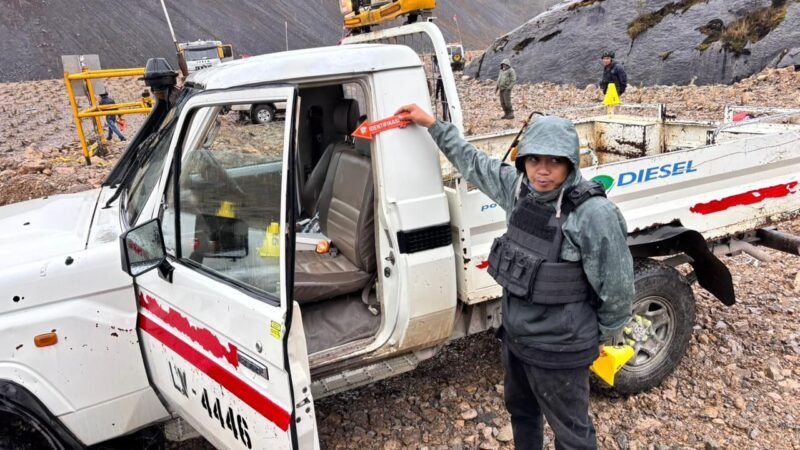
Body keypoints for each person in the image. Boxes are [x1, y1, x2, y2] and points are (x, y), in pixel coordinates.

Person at [395, 104, 634, 450]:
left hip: (561, 349)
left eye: (554, 162)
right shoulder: (518, 190)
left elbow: (618, 286)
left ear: (571, 163)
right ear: (523, 161)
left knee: (572, 433)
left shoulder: (593, 213)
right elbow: (472, 161)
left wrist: (602, 337)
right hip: (517, 341)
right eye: (534, 160)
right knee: (522, 413)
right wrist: (432, 124)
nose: (542, 171)